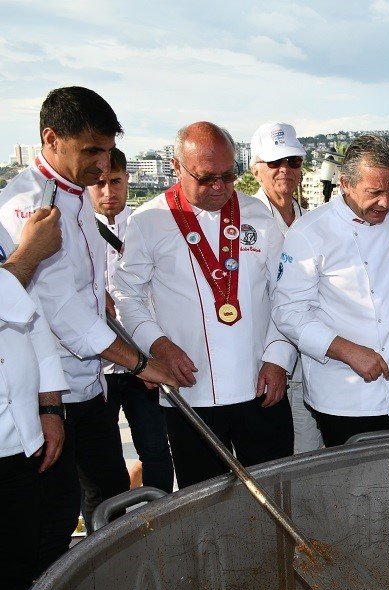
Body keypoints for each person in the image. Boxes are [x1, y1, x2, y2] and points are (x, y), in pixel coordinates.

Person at [0, 86, 176, 562]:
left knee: (110, 497)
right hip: (48, 396)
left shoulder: (78, 195)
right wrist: (140, 364)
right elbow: (61, 312)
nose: (103, 165)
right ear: (51, 139)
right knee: (53, 520)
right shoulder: (27, 205)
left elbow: (82, 293)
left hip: (90, 385)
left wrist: (103, 302)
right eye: (91, 151)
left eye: (108, 151)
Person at [111, 122, 296, 487]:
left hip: (261, 384)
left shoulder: (258, 215)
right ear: (176, 166)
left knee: (276, 491)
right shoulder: (148, 221)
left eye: (228, 175)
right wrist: (158, 346)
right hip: (189, 391)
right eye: (207, 178)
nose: (219, 187)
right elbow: (126, 295)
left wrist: (279, 357)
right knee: (206, 501)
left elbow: (286, 292)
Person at [272, 134, 389, 446]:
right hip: (344, 398)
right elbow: (288, 313)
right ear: (344, 183)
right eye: (375, 192)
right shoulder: (309, 233)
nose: (385, 203)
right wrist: (348, 351)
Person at [0, 211, 66, 590]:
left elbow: (33, 320)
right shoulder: (21, 249)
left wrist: (49, 406)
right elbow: (14, 285)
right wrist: (25, 259)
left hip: (18, 437)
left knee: (19, 567)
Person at [88, 147, 174, 493]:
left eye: (116, 182)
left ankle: (160, 516)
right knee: (100, 461)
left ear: (127, 180)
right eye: (99, 183)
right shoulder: (75, 229)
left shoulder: (148, 225)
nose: (108, 192)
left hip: (143, 361)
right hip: (97, 366)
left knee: (156, 451)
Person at [248, 121, 322, 454]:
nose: (285, 169)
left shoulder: (313, 222)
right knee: (269, 457)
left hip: (308, 363)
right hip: (261, 364)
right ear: (255, 169)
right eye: (275, 162)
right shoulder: (242, 221)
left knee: (309, 453)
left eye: (293, 161)